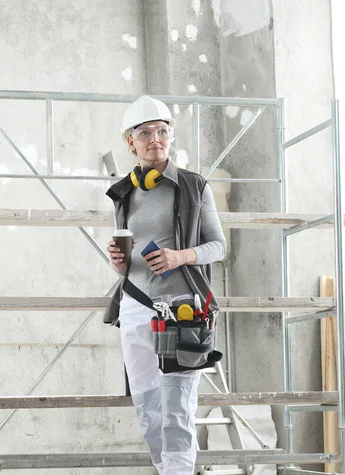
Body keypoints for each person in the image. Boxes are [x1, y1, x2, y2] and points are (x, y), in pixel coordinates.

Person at [105, 95, 227, 474]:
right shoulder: (123, 193)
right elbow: (130, 259)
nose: (155, 139)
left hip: (181, 308)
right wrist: (118, 263)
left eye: (162, 131)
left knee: (177, 408)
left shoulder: (193, 187)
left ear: (170, 136)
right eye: (145, 133)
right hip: (134, 304)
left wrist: (179, 256)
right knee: (147, 408)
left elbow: (218, 247)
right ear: (131, 142)